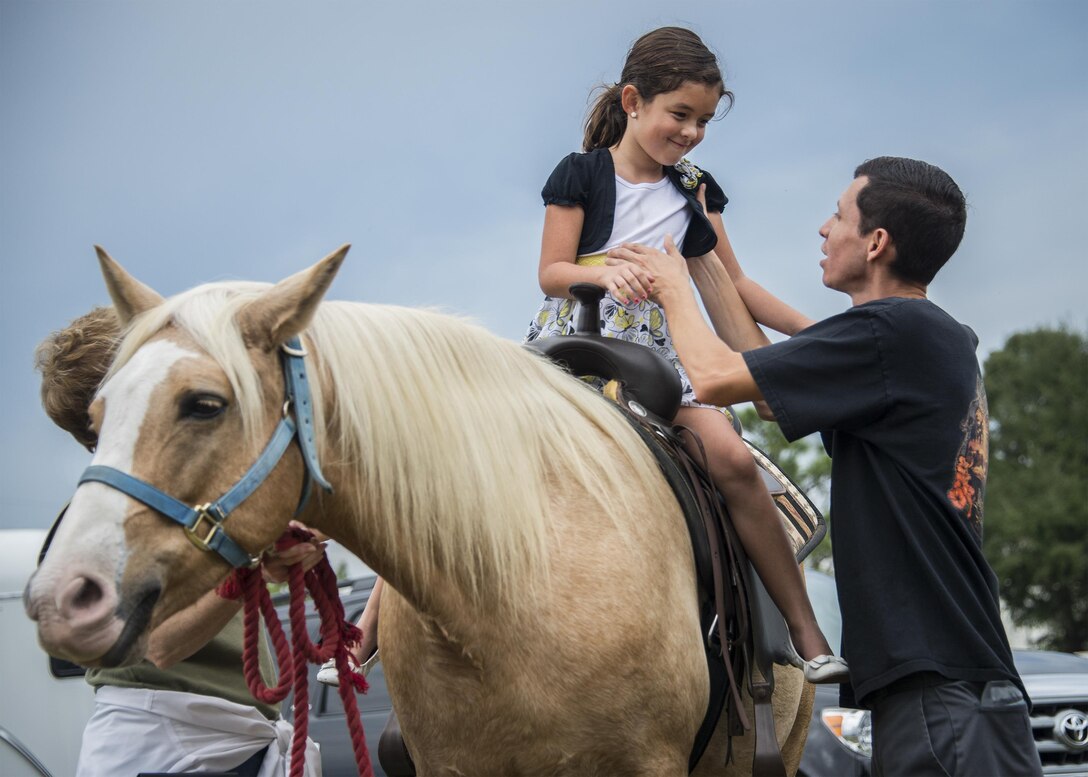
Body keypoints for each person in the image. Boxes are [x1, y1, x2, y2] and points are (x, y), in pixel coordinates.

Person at [610, 156, 1043, 776]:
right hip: (950, 683)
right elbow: (759, 385)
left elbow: (710, 377)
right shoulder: (914, 337)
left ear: (875, 242)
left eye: (838, 215)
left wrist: (670, 284)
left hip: (939, 690)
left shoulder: (894, 333)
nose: (823, 228)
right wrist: (702, 238)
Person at [523, 25, 841, 678]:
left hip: (659, 363)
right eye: (681, 115)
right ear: (633, 101)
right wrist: (604, 273)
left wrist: (820, 338)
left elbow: (735, 286)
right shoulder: (581, 174)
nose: (692, 132)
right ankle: (371, 631)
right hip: (575, 347)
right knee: (475, 442)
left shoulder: (692, 187)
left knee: (730, 454)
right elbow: (551, 271)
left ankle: (804, 634)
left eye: (702, 120)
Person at [35, 306, 326, 777]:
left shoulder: (192, 510)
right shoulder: (100, 530)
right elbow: (162, 646)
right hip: (169, 749)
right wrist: (251, 565)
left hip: (219, 742)